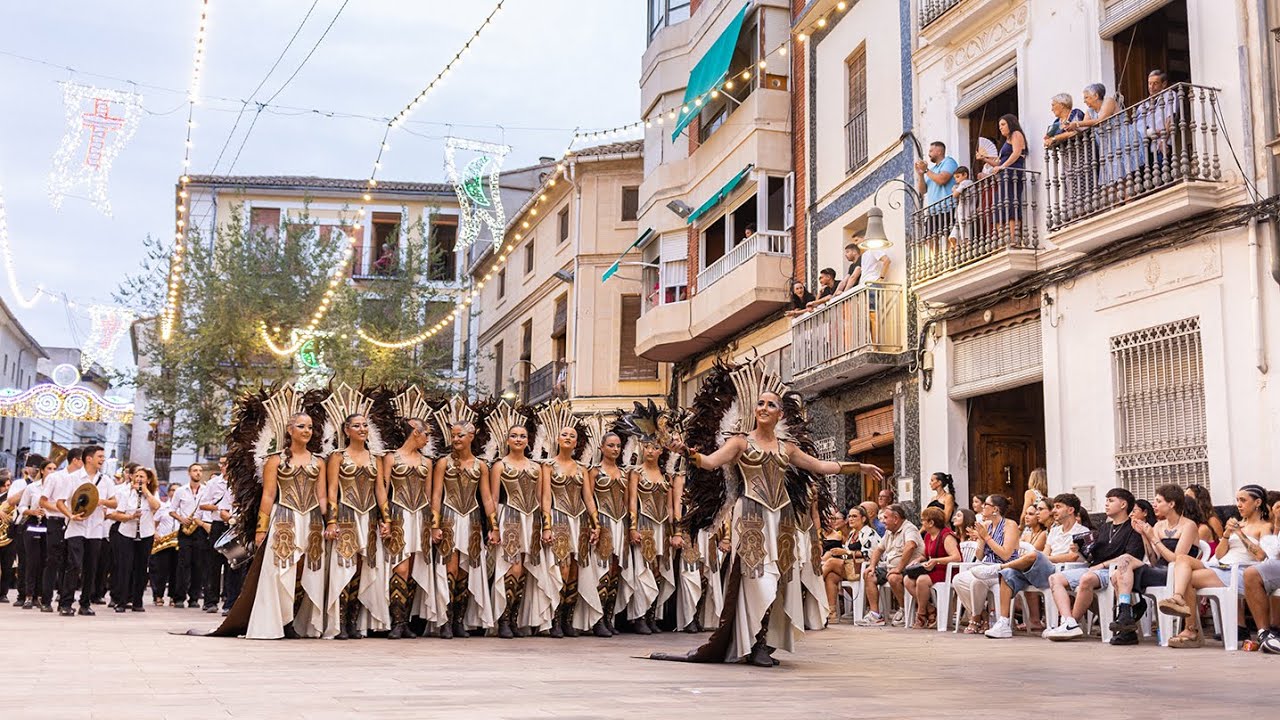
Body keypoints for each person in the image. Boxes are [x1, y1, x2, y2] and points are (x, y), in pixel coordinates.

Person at [651, 359, 883, 666]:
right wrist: (688, 452)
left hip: (782, 521)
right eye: (759, 403)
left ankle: (763, 643)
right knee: (757, 580)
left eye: (770, 404)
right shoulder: (739, 443)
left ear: (780, 413)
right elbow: (709, 463)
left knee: (779, 582)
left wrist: (858, 465)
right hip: (751, 518)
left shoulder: (787, 448)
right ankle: (752, 641)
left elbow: (818, 466)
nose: (763, 408)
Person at [1158, 484, 1273, 648]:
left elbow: (1262, 556)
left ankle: (1190, 629)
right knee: (1182, 559)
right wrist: (1226, 536)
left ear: (1257, 502)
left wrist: (1240, 534)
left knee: (1188, 578)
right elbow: (1219, 555)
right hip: (1221, 566)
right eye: (1237, 500)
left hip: (1242, 572)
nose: (1238, 504)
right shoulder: (1237, 524)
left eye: (1243, 500)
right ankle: (1178, 599)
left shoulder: (1265, 526)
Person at [246, 408, 327, 639]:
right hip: (284, 519)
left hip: (311, 521)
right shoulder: (275, 460)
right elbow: (268, 495)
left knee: (305, 570)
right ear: (290, 430)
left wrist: (330, 522)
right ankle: (280, 621)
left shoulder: (319, 462)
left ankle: (294, 620)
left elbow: (322, 496)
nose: (307, 431)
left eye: (310, 427)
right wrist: (261, 529)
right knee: (282, 570)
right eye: (301, 426)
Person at [488, 403, 560, 639]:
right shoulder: (499, 465)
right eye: (514, 436)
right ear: (507, 440)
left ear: (528, 441)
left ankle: (517, 618)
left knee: (527, 570)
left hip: (533, 520)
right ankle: (504, 619)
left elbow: (543, 498)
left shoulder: (537, 467)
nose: (518, 439)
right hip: (508, 516)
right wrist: (494, 527)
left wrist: (546, 526)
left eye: (523, 436)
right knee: (512, 566)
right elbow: (493, 498)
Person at [1045, 488, 1146, 641]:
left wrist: (1102, 565)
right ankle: (1068, 621)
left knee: (1087, 578)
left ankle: (1073, 623)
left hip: (1113, 571)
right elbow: (1093, 555)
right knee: (1055, 579)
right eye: (1106, 501)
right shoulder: (1105, 528)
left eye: (1111, 501)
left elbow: (1131, 557)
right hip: (1093, 569)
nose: (1106, 504)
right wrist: (1080, 551)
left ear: (1124, 504)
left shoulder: (1133, 528)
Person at [985, 494, 1091, 639]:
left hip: (1064, 571)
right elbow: (1046, 552)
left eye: (1058, 507)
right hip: (1046, 569)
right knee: (1008, 574)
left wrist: (1041, 558)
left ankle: (999, 567)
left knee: (1034, 555)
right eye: (1054, 507)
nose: (1054, 511)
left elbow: (1072, 557)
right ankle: (1003, 623)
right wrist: (1043, 558)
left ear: (1071, 510)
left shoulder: (1082, 531)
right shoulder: (1054, 531)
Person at [430, 401, 494, 639]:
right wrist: (434, 525)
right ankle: (445, 620)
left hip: (474, 519)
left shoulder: (481, 466)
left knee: (468, 570)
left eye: (460, 435)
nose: (456, 439)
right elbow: (436, 494)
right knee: (450, 567)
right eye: (453, 435)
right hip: (448, 517)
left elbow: (487, 497)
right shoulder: (443, 463)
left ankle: (459, 620)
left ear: (471, 436)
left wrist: (494, 527)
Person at [1106, 483, 1199, 645]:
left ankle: (1127, 623)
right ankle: (1126, 617)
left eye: (1159, 501)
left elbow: (1176, 559)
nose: (1154, 504)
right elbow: (1154, 559)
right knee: (1122, 565)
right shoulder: (1158, 525)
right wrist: (1143, 535)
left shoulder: (1188, 526)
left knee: (1119, 575)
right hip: (1158, 569)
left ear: (1171, 504)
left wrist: (1153, 537)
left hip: (1175, 574)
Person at [325, 411, 388, 640]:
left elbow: (380, 490)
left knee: (363, 568)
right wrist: (331, 521)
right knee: (345, 566)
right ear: (346, 430)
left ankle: (353, 620)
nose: (362, 429)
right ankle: (339, 621)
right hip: (346, 515)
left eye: (365, 425)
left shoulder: (375, 458)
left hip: (369, 517)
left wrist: (386, 519)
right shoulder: (337, 457)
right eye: (357, 425)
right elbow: (332, 489)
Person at [377, 404, 437, 640]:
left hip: (420, 517)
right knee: (399, 567)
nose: (427, 438)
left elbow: (431, 495)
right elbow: (383, 489)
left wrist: (433, 525)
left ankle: (405, 622)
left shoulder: (427, 462)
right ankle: (396, 621)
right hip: (399, 515)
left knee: (413, 568)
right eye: (426, 434)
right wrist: (385, 519)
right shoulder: (391, 458)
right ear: (415, 431)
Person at [626, 434, 676, 635]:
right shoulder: (636, 473)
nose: (650, 451)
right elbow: (631, 502)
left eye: (654, 447)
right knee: (643, 569)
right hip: (644, 523)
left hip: (662, 527)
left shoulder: (667, 476)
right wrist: (632, 528)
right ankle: (638, 616)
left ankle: (652, 615)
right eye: (646, 447)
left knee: (658, 572)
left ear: (661, 451)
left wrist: (674, 532)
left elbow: (671, 507)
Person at [60, 445, 116, 616]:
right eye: (100, 456)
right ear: (89, 458)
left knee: (91, 567)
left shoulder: (106, 480)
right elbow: (60, 502)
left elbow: (115, 503)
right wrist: (70, 515)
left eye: (103, 457)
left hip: (96, 529)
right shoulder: (73, 478)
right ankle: (66, 603)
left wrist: (101, 501)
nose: (103, 459)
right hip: (76, 526)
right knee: (74, 565)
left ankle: (85, 603)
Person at [952, 494, 1020, 633]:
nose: (983, 507)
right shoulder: (986, 525)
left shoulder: (1010, 525)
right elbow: (979, 556)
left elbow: (1006, 554)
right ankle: (982, 614)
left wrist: (986, 537)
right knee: (958, 580)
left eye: (986, 505)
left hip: (1004, 569)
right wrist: (980, 539)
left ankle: (976, 618)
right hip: (986, 567)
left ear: (995, 509)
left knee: (977, 581)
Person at [587, 430, 632, 636]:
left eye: (618, 446)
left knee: (615, 571)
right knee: (601, 571)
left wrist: (631, 527)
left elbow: (629, 502)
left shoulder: (625, 473)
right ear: (601, 448)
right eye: (611, 445)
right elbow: (588, 500)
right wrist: (594, 524)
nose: (615, 449)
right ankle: (596, 619)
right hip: (603, 522)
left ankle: (608, 617)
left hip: (620, 523)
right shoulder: (594, 472)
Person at [856, 503, 924, 627]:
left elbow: (910, 546)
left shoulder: (909, 528)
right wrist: (872, 565)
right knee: (869, 574)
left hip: (908, 569)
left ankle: (904, 610)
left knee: (893, 577)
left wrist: (899, 568)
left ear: (896, 518)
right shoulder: (889, 531)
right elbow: (878, 549)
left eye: (886, 518)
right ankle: (875, 615)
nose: (883, 522)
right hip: (889, 567)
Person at [106, 464, 161, 613]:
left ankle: (138, 601)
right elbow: (116, 514)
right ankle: (121, 601)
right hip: (127, 533)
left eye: (142, 477)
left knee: (142, 569)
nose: (138, 479)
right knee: (125, 567)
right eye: (136, 476)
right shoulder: (125, 493)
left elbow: (156, 506)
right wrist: (131, 517)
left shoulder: (152, 493)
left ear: (148, 480)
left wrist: (146, 493)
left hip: (146, 534)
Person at [905, 506, 961, 629]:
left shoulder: (947, 536)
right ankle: (931, 609)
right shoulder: (928, 536)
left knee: (922, 580)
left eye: (923, 520)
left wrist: (936, 561)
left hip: (947, 570)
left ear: (931, 523)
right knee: (907, 580)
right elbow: (925, 554)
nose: (922, 523)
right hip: (933, 568)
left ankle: (921, 615)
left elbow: (956, 557)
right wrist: (918, 560)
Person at [40, 448, 83, 613]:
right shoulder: (55, 477)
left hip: (72, 524)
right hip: (56, 522)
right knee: (52, 562)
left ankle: (63, 599)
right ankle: (46, 600)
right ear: (76, 461)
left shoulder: (80, 480)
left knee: (69, 562)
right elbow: (43, 501)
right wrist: (63, 510)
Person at [976, 113, 1028, 241]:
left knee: (1010, 203)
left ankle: (1013, 237)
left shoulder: (1016, 134)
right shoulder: (1006, 141)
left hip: (1012, 174)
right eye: (999, 125)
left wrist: (1002, 167)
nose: (1001, 127)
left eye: (1003, 124)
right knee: (999, 204)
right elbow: (998, 163)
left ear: (1011, 123)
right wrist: (984, 159)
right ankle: (1002, 239)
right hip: (1004, 175)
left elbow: (1016, 153)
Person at [15, 459, 54, 609]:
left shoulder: (57, 488)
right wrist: (32, 511)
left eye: (54, 469)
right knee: (32, 561)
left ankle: (39, 595)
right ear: (42, 471)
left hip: (48, 523)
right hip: (32, 523)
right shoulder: (32, 487)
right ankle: (28, 595)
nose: (52, 471)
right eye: (49, 468)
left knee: (45, 561)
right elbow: (22, 506)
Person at [170, 464, 208, 609]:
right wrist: (182, 519)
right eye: (195, 470)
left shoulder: (206, 490)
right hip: (185, 529)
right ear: (189, 473)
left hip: (200, 529)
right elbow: (172, 511)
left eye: (200, 471)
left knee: (198, 565)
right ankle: (179, 597)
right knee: (183, 564)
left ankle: (194, 598)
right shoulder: (180, 491)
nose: (198, 473)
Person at [197, 456, 230, 613]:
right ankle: (211, 601)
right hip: (217, 524)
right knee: (214, 564)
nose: (225, 467)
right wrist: (219, 509)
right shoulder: (213, 483)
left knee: (233, 564)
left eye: (228, 464)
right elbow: (202, 504)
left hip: (234, 525)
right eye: (222, 464)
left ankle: (230, 601)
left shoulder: (241, 482)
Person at [915, 141, 959, 241]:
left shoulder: (949, 162)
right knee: (929, 240)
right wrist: (921, 174)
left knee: (950, 237)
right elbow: (923, 190)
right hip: (933, 211)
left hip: (948, 207)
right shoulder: (932, 169)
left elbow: (942, 179)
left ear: (939, 151)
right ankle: (935, 256)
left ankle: (950, 256)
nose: (928, 153)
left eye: (931, 150)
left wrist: (926, 171)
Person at [149, 483, 180, 608]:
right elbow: (153, 524)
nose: (174, 492)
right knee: (160, 571)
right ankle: (158, 596)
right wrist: (155, 534)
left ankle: (174, 596)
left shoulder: (184, 508)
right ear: (168, 493)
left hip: (178, 543)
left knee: (176, 571)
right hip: (163, 543)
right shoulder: (162, 508)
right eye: (172, 490)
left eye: (177, 490)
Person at [1186, 484, 1224, 551]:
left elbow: (1222, 543)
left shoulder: (1212, 520)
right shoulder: (1189, 520)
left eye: (1188, 497)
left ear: (1199, 501)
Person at [946, 166, 973, 245]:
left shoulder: (967, 182)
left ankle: (966, 248)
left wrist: (954, 190)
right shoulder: (961, 184)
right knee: (953, 236)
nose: (956, 180)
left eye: (958, 177)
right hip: (961, 213)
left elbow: (955, 194)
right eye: (955, 178)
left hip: (966, 212)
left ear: (965, 175)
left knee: (965, 235)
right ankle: (960, 248)